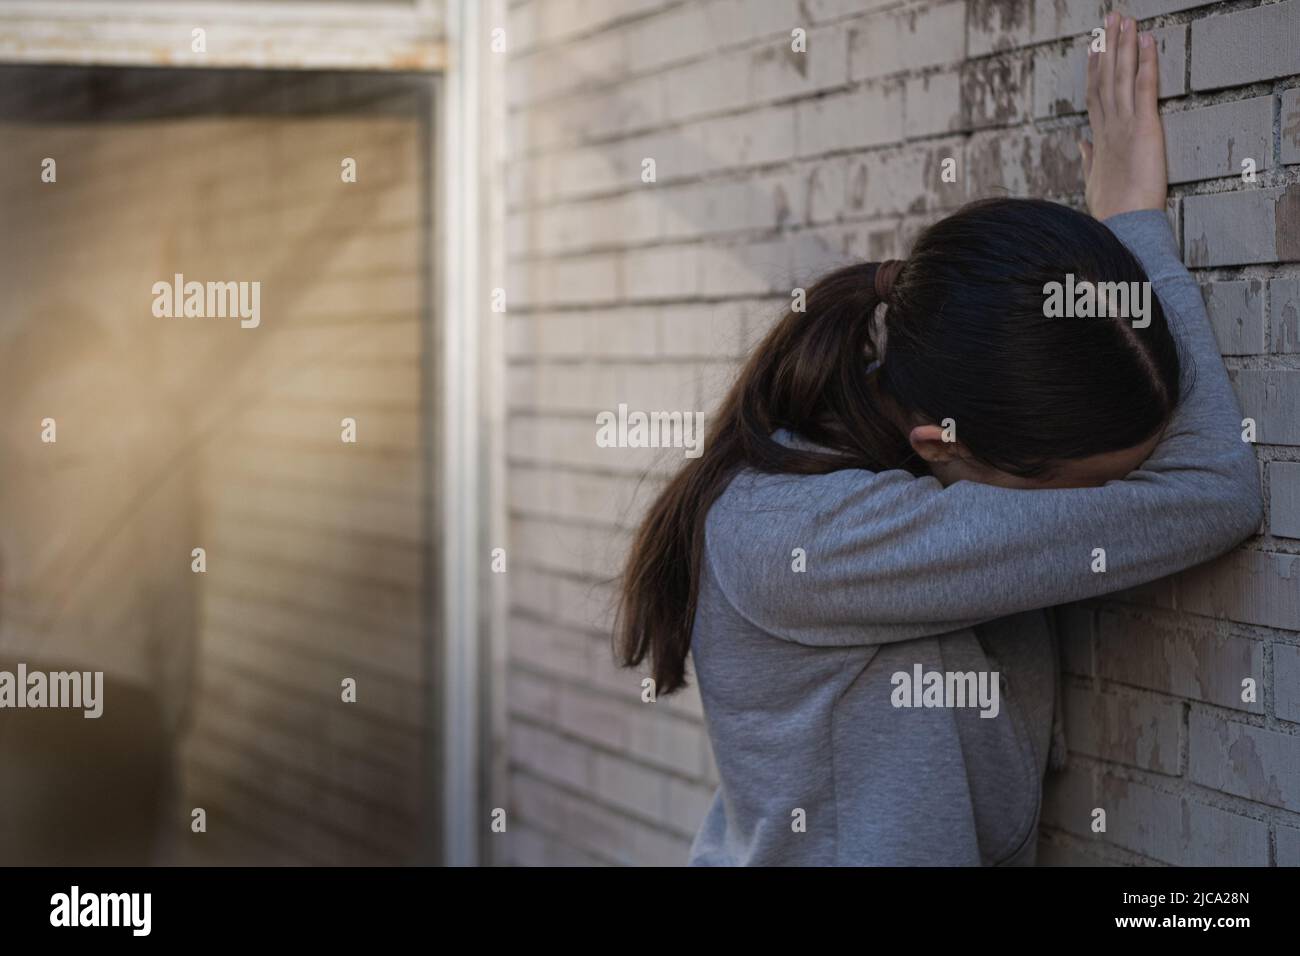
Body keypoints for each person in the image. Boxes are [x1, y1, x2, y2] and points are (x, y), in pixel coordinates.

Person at [616, 15, 1262, 865]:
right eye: (1085, 490)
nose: (1104, 516)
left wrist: (1123, 278)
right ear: (940, 444)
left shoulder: (866, 477)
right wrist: (1134, 225)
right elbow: (1216, 486)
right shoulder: (821, 537)